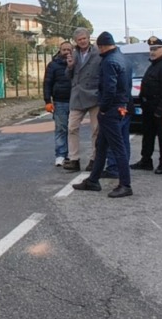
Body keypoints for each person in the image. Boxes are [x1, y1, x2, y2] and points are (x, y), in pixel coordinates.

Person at [72, 32, 134, 198]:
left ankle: (125, 184)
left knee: (117, 147)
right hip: (122, 106)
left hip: (111, 110)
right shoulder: (123, 58)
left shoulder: (108, 61)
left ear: (101, 46)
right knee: (101, 145)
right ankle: (93, 180)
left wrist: (104, 108)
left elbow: (109, 88)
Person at [132, 37, 162, 174]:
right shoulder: (153, 65)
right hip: (148, 106)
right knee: (148, 135)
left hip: (160, 107)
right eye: (151, 49)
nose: (152, 52)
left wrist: (160, 109)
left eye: (155, 49)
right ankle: (146, 160)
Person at [65, 27, 102, 172]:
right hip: (77, 96)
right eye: (79, 40)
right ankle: (74, 159)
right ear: (76, 41)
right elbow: (68, 76)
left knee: (96, 130)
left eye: (84, 38)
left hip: (94, 96)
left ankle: (94, 159)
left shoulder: (98, 54)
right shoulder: (73, 54)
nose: (82, 41)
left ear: (88, 38)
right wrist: (69, 66)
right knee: (72, 127)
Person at [43, 41, 75, 167]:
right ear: (60, 51)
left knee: (73, 130)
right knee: (61, 129)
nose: (66, 52)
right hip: (59, 101)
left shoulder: (77, 64)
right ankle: (61, 155)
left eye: (69, 49)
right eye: (64, 49)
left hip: (76, 102)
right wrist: (47, 101)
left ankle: (73, 156)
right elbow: (47, 83)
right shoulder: (53, 65)